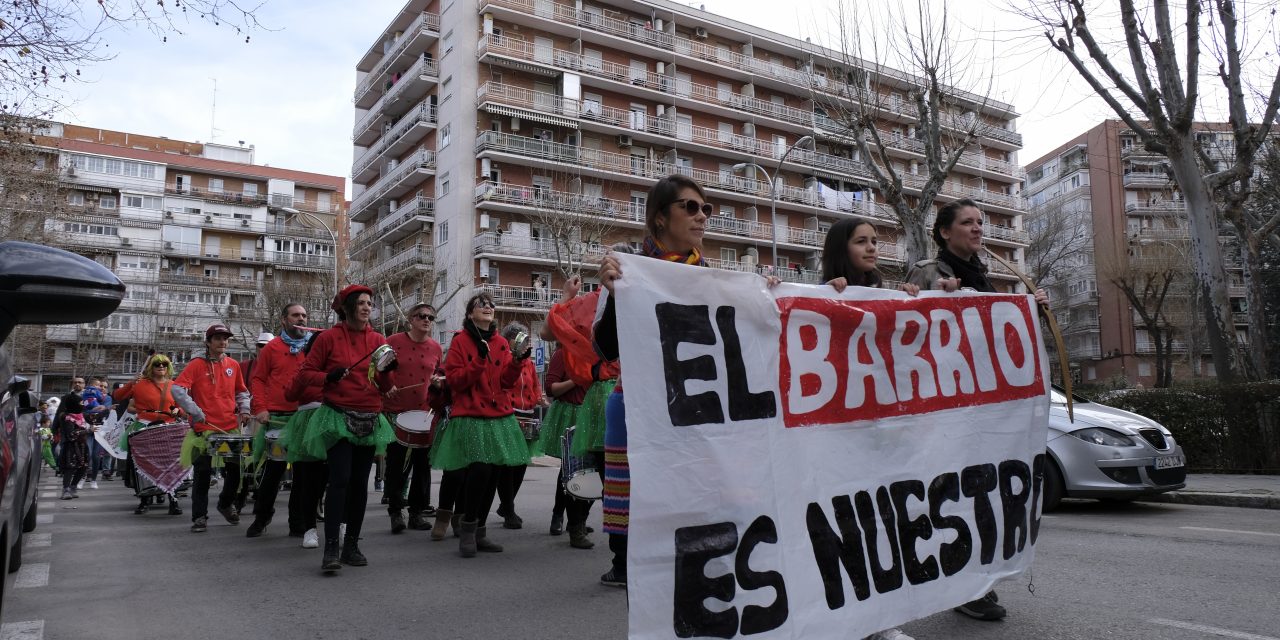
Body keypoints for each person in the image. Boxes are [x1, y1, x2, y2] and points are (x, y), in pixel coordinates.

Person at [905, 198, 1046, 623]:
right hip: (944, 409)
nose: (977, 228)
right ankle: (961, 585)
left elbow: (996, 342)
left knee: (982, 496)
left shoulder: (983, 278)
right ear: (945, 232)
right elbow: (906, 331)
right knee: (952, 499)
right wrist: (935, 298)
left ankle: (974, 581)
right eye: (967, 222)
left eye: (980, 222)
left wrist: (1030, 310)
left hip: (982, 409)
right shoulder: (928, 272)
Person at [594, 173, 722, 587]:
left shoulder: (712, 277)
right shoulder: (626, 269)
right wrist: (617, 295)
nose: (701, 216)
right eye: (690, 207)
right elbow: (605, 349)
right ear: (660, 218)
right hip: (638, 403)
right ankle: (626, 562)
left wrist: (765, 293)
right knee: (632, 487)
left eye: (705, 208)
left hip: (694, 403)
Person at [821, 218, 917, 640]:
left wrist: (914, 302)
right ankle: (843, 619)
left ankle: (880, 621)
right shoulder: (820, 294)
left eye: (875, 241)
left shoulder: (886, 296)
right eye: (862, 241)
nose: (873, 247)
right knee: (844, 529)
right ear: (841, 249)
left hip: (879, 436)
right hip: (835, 439)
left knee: (881, 526)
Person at [295, 285, 396, 573]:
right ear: (348, 307)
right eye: (361, 303)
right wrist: (328, 377)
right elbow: (305, 374)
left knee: (360, 484)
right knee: (339, 479)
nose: (367, 307)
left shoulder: (378, 340)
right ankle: (331, 549)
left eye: (370, 303)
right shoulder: (328, 338)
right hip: (337, 416)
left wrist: (388, 372)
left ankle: (351, 544)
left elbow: (385, 385)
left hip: (370, 416)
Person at [430, 292, 531, 558]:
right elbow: (455, 381)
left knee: (494, 474)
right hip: (471, 415)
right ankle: (467, 527)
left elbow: (506, 381)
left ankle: (479, 531)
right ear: (470, 313)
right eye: (481, 304)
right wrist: (478, 361)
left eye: (490, 304)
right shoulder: (461, 341)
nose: (488, 307)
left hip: (499, 415)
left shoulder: (501, 342)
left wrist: (518, 362)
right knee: (480, 471)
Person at [172, 323, 252, 533]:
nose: (222, 342)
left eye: (225, 338)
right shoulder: (196, 364)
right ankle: (199, 516)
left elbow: (241, 391)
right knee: (203, 473)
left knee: (235, 471)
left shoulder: (233, 364)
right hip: (204, 428)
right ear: (208, 342)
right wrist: (194, 411)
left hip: (229, 428)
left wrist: (245, 409)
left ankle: (225, 504)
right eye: (217, 338)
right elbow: (177, 389)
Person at [246, 304, 310, 538]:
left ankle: (297, 522)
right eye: (296, 315)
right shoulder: (272, 348)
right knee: (273, 473)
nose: (301, 319)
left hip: (305, 416)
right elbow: (258, 380)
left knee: (303, 475)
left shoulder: (314, 347)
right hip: (277, 418)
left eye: (304, 316)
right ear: (284, 320)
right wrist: (261, 408)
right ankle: (262, 517)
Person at [382, 303, 445, 534]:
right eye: (421, 316)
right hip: (397, 412)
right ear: (411, 319)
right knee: (396, 464)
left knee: (422, 466)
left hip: (425, 414)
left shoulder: (436, 348)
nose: (427, 320)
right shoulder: (393, 341)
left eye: (431, 317)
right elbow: (378, 369)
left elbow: (439, 375)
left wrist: (438, 383)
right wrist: (386, 386)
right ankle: (395, 512)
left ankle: (417, 512)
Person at [534, 342, 592, 548]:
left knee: (590, 470)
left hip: (589, 415)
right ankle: (558, 516)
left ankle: (578, 519)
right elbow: (551, 389)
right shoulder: (562, 354)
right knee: (568, 470)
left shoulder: (593, 355)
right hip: (569, 414)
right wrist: (575, 380)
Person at [113, 353, 184, 516]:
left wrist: (178, 412)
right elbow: (117, 396)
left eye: (164, 364)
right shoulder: (139, 384)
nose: (161, 366)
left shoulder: (173, 386)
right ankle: (144, 500)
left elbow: (177, 407)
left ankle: (173, 500)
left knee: (170, 466)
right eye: (157, 364)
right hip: (144, 428)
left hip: (167, 429)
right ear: (151, 367)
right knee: (143, 465)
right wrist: (131, 382)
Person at [495, 321, 547, 530]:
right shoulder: (505, 359)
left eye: (525, 340)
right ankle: (508, 508)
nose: (525, 344)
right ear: (509, 341)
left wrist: (539, 398)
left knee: (521, 463)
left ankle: (506, 505)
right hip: (510, 414)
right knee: (508, 465)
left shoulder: (529, 363)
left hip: (527, 414)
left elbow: (535, 385)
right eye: (520, 340)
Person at [280, 331, 326, 549]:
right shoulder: (305, 368)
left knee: (334, 478)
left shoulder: (338, 366)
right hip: (307, 425)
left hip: (333, 422)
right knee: (305, 478)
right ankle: (302, 525)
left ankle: (339, 524)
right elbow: (290, 393)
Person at [57, 394, 91, 500]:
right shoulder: (67, 418)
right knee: (70, 468)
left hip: (82, 446)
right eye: (80, 403)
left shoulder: (81, 416)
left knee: (83, 466)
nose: (82, 405)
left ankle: (73, 487)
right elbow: (71, 434)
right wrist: (88, 431)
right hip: (71, 447)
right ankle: (66, 490)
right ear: (74, 404)